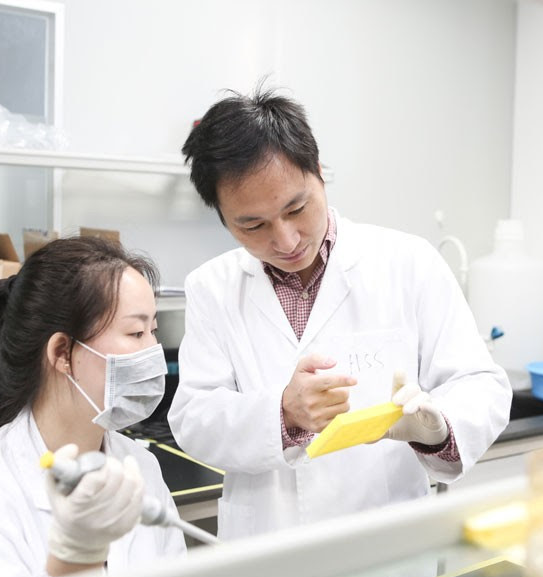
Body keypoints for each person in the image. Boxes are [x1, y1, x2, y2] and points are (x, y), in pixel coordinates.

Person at [168, 86, 512, 541]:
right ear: (223, 218)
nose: (286, 240)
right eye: (253, 225)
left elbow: (482, 383)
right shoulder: (212, 288)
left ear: (320, 174)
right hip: (268, 551)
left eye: (297, 208)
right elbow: (194, 417)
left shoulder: (408, 262)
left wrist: (437, 427)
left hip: (384, 547)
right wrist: (283, 413)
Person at [0, 236, 186, 577]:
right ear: (62, 352)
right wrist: (73, 562)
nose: (153, 353)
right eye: (135, 332)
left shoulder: (140, 468)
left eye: (153, 331)